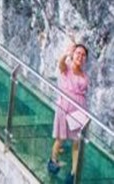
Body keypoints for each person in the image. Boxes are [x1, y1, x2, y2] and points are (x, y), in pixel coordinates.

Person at [48, 43, 90, 182]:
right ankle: (53, 161)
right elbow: (60, 63)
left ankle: (73, 173)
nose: (80, 56)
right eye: (78, 53)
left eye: (83, 55)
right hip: (65, 107)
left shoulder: (85, 75)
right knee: (61, 138)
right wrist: (67, 53)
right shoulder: (66, 69)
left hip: (79, 109)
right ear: (73, 54)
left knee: (77, 141)